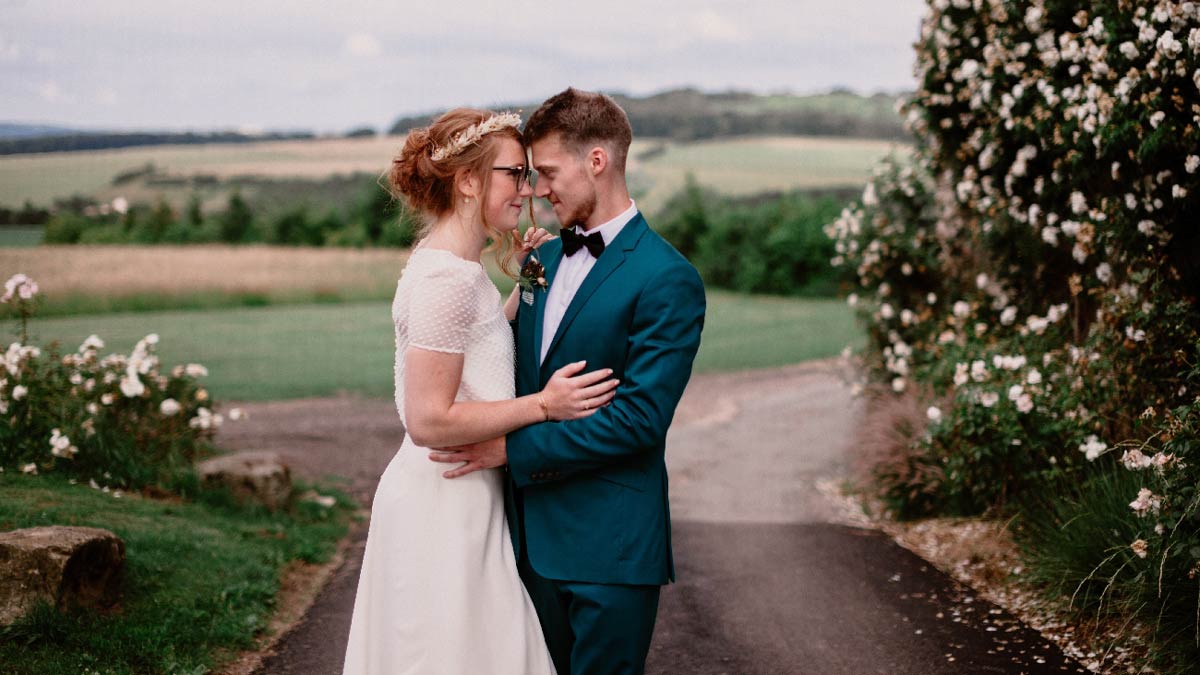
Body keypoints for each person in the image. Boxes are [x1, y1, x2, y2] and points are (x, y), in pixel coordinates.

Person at [429, 88, 707, 675]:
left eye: (549, 172)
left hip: (609, 550)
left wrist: (509, 448)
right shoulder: (542, 262)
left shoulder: (668, 278)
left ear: (597, 161)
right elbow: (499, 363)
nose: (536, 189)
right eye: (530, 175)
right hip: (520, 546)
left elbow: (638, 422)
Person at [341, 107, 619, 675]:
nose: (528, 189)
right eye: (513, 174)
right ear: (468, 181)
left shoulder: (459, 270)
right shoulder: (447, 279)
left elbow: (479, 354)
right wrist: (545, 405)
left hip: (465, 493)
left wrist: (524, 284)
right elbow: (429, 419)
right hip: (444, 499)